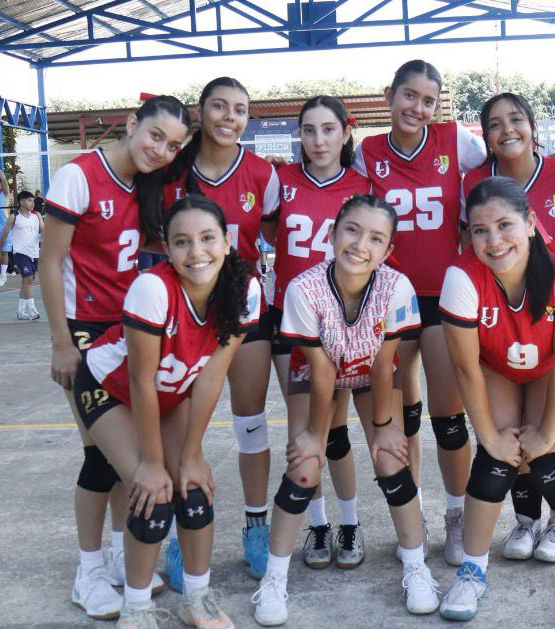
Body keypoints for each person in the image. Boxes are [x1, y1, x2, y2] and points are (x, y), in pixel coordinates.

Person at [74, 195, 260, 629]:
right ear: (167, 249)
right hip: (109, 387)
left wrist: (191, 455)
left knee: (194, 490)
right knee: (153, 495)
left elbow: (211, 377)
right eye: (182, 242)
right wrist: (154, 464)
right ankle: (137, 607)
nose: (196, 252)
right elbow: (140, 381)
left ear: (227, 241)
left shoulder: (245, 290)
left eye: (207, 238)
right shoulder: (153, 289)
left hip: (172, 393)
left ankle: (198, 598)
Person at [253, 195, 440, 625]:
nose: (360, 244)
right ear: (333, 233)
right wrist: (314, 438)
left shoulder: (396, 286)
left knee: (391, 458)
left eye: (375, 238)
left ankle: (416, 567)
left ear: (388, 250)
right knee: (304, 466)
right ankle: (274, 578)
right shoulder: (304, 288)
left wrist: (384, 426)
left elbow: (384, 361)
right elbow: (321, 371)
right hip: (318, 370)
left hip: (372, 369)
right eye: (352, 230)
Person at [40, 95, 191, 620]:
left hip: (127, 331)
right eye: (155, 136)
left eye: (173, 146)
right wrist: (61, 341)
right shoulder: (79, 176)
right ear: (132, 124)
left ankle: (115, 558)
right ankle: (88, 571)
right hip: (84, 331)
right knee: (101, 457)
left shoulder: (149, 186)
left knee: (129, 457)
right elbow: (51, 262)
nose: (161, 150)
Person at [437, 177, 555, 627]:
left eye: (505, 225)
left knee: (551, 457)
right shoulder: (461, 277)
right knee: (496, 458)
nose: (494, 241)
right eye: (480, 230)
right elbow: (466, 369)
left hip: (550, 369)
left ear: (531, 223)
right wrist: (489, 437)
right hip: (496, 369)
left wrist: (549, 433)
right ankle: (472, 571)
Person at [353, 59, 488, 565]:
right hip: (388, 296)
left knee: (447, 418)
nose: (418, 107)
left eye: (428, 100)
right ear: (389, 95)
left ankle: (456, 515)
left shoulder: (456, 140)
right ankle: (412, 517)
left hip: (440, 294)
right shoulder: (368, 152)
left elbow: (505, 160)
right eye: (409, 95)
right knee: (402, 419)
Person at [461, 92, 555, 564]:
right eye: (494, 124)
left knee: (554, 432)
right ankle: (526, 519)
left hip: (551, 305)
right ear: (485, 137)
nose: (507, 130)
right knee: (509, 430)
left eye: (516, 119)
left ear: (534, 126)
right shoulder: (474, 179)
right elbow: (471, 240)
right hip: (501, 304)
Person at [163, 77, 279, 586]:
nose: (230, 118)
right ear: (200, 110)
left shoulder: (262, 174)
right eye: (219, 106)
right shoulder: (171, 171)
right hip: (184, 311)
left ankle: (256, 527)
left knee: (250, 421)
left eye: (240, 109)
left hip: (243, 305)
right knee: (181, 428)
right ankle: (178, 532)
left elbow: (274, 233)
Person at [263, 95, 371, 570]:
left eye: (328, 129)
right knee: (303, 428)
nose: (318, 140)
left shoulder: (363, 186)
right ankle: (319, 524)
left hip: (345, 322)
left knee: (334, 431)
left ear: (346, 132)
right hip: (291, 321)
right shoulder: (282, 180)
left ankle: (349, 523)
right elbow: (269, 233)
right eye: (308, 130)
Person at [0, 191, 43, 318]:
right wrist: (1, 249)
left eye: (33, 201)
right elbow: (5, 234)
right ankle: (32, 310)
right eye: (30, 201)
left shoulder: (37, 215)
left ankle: (20, 312)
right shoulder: (14, 217)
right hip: (20, 253)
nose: (32, 203)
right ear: (21, 202)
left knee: (26, 282)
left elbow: (43, 230)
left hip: (34, 253)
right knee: (28, 279)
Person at [0, 175, 11, 285]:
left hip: (4, 228)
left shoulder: (5, 195)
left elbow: (5, 181)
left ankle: (3, 275)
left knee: (4, 252)